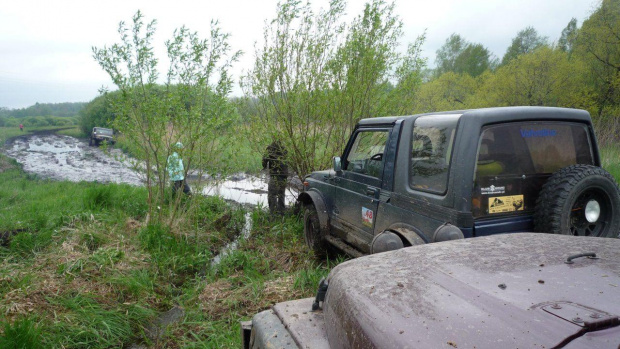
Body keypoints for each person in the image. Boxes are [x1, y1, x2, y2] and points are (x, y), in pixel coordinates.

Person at [262, 140, 288, 214]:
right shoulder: (284, 148)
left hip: (275, 174)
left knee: (272, 194)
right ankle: (282, 212)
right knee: (281, 194)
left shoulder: (270, 148)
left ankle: (273, 214)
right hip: (284, 174)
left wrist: (264, 166)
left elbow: (264, 160)